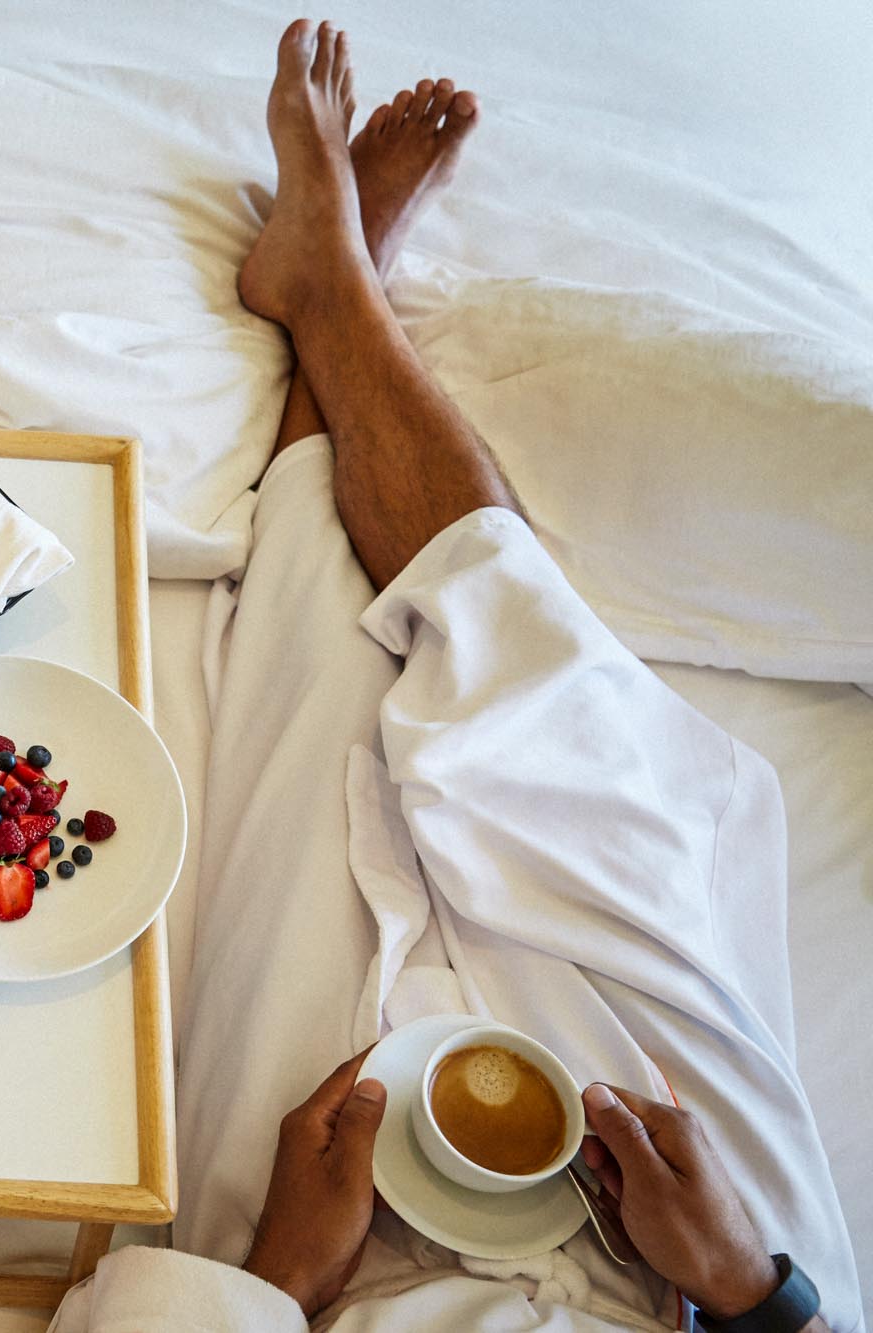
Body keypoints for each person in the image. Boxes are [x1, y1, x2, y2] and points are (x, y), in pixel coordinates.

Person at [79, 18, 856, 1332]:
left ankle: (331, 279)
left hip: (324, 1286)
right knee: (547, 712)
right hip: (670, 1285)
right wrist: (748, 1288)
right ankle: (334, 283)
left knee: (303, 711)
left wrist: (279, 1278)